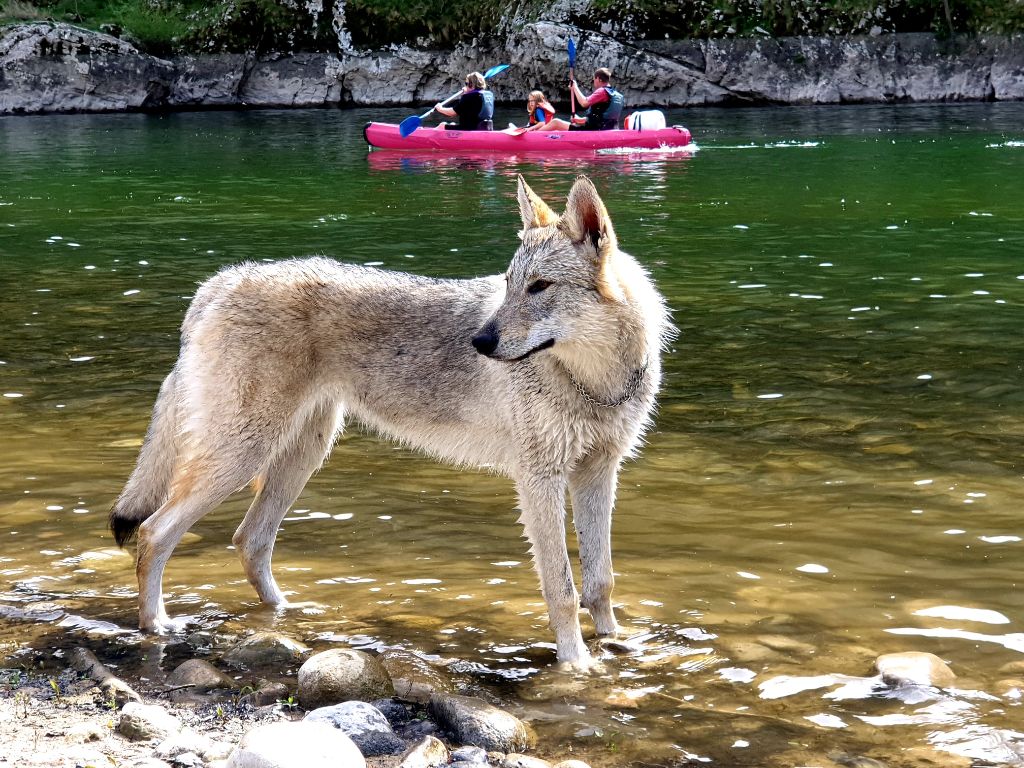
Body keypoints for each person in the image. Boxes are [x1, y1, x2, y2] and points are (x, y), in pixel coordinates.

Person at [536, 68, 624, 132]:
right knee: (558, 131)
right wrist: (579, 120)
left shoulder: (602, 91)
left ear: (599, 79)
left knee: (555, 123)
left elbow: (584, 103)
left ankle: (533, 136)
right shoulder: (618, 95)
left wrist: (575, 87)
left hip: (595, 130)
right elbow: (600, 118)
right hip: (610, 128)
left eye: (594, 79)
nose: (594, 82)